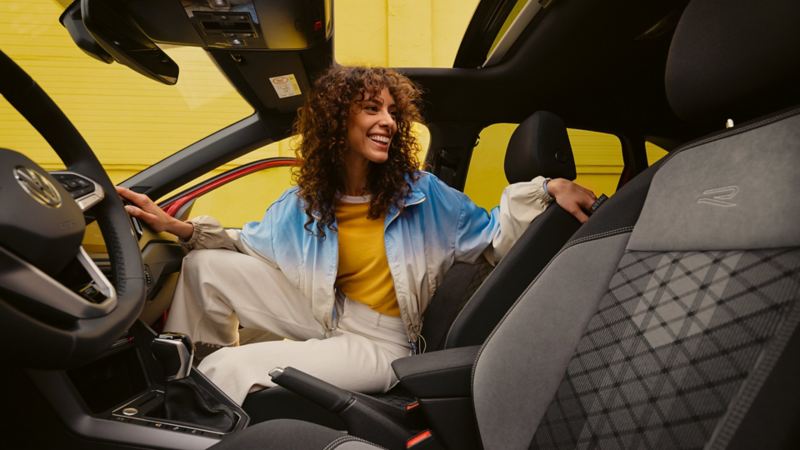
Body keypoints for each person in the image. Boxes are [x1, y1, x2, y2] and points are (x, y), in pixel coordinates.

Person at [117, 66, 596, 405]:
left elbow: (495, 237)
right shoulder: (305, 203)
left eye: (392, 112)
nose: (389, 121)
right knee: (205, 266)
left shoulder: (424, 194)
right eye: (372, 109)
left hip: (381, 342)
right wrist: (180, 229)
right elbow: (250, 243)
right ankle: (180, 376)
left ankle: (199, 411)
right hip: (326, 310)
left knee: (230, 369)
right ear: (336, 121)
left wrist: (543, 188)